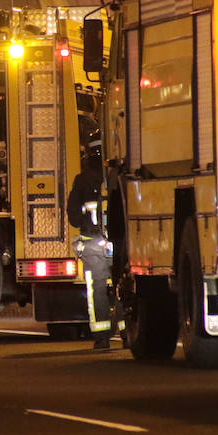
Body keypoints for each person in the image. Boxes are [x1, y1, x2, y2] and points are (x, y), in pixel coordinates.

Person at [67, 132, 123, 349]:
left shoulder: (82, 180)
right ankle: (127, 332)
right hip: (118, 244)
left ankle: (102, 337)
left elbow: (72, 215)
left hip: (92, 243)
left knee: (97, 289)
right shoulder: (118, 177)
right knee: (122, 286)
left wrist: (86, 223)